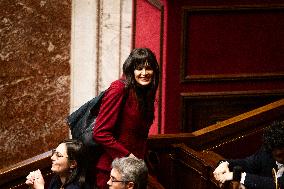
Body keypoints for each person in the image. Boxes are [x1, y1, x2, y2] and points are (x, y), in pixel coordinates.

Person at [92, 48, 159, 189]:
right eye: (139, 68)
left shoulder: (145, 93)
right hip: (111, 172)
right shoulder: (119, 89)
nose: (144, 73)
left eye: (148, 68)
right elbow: (100, 132)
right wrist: (128, 156)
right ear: (131, 70)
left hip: (133, 171)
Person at [213, 120, 284, 189]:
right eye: (279, 155)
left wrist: (238, 176)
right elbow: (248, 163)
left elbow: (279, 185)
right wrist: (225, 163)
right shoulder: (267, 151)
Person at [26, 139, 90, 189]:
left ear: (72, 164)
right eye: (54, 152)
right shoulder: (57, 179)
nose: (52, 157)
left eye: (58, 155)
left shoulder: (76, 186)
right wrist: (33, 186)